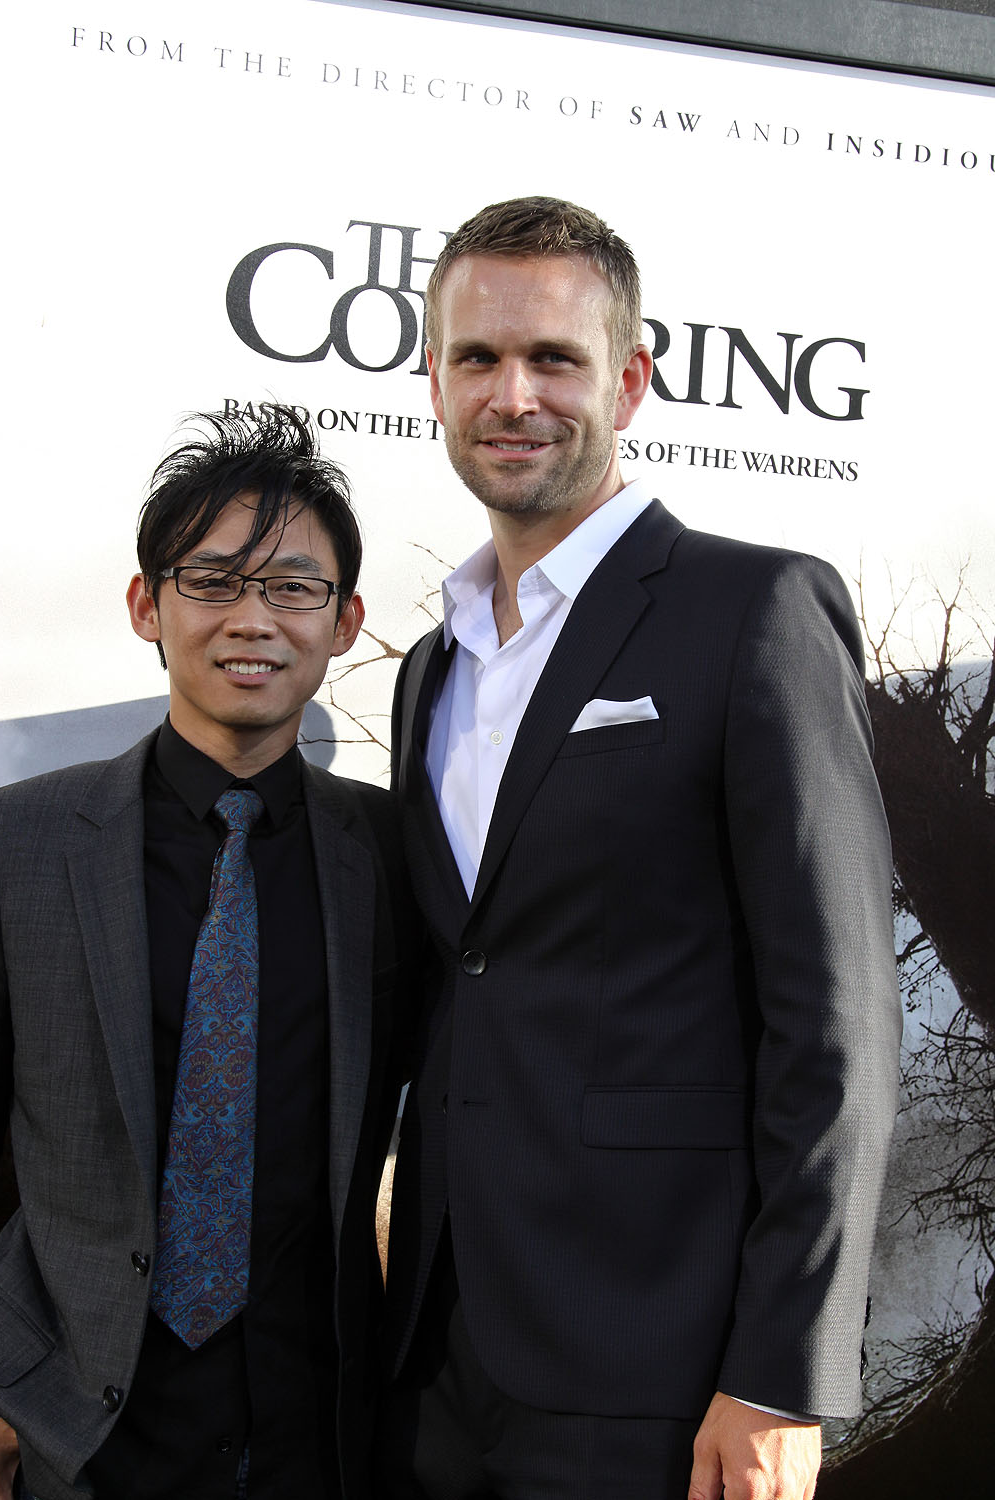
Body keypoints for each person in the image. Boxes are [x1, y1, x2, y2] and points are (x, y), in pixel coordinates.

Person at [378, 198, 902, 1500]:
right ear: (431, 378)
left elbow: (837, 1022)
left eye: (554, 359)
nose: (514, 395)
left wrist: (784, 1370)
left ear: (631, 379)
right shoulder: (429, 666)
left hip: (664, 1370)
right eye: (478, 359)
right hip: (438, 1363)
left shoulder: (755, 609)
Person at [0, 409, 414, 1500]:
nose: (253, 620)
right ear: (148, 606)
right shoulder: (19, 842)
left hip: (323, 1439)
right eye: (215, 581)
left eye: (292, 586)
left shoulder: (397, 855)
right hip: (76, 1443)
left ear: (346, 620)